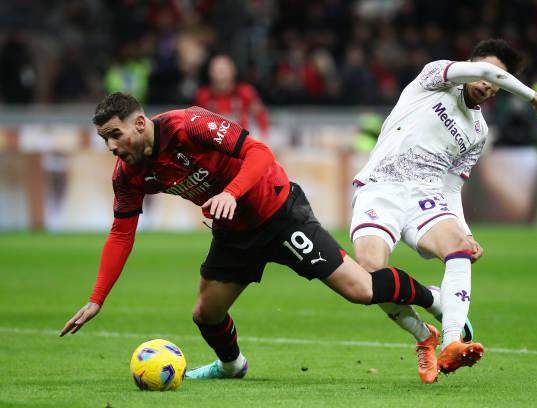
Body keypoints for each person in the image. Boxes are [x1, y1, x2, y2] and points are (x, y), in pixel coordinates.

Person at [60, 92, 448, 382]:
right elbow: (121, 232)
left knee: (361, 290)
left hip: (280, 214)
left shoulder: (189, 124)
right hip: (234, 233)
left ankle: (433, 298)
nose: (111, 147)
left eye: (115, 135)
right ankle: (232, 366)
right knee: (205, 314)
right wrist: (97, 298)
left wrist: (231, 193)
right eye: (105, 139)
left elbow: (259, 153)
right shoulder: (127, 175)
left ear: (140, 124)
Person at [350, 39, 537, 382]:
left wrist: (466, 233)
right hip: (380, 188)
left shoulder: (478, 131)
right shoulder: (434, 79)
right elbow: (486, 71)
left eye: (497, 81)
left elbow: (452, 187)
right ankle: (424, 331)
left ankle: (452, 341)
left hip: (425, 198)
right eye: (486, 74)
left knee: (459, 248)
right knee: (370, 274)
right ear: (469, 66)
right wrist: (533, 97)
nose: (488, 83)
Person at [195, 54, 269, 139]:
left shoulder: (246, 92)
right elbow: (196, 123)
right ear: (210, 73)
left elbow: (260, 114)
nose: (220, 75)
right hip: (212, 142)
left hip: (242, 141)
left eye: (223, 70)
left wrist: (263, 136)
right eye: (217, 70)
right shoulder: (203, 95)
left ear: (233, 71)